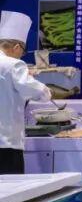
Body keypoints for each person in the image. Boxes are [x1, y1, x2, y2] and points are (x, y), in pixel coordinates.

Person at [0, 10, 52, 175]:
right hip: (6, 144)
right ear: (17, 47)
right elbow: (40, 93)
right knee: (11, 189)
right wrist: (46, 90)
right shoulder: (13, 65)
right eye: (22, 51)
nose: (21, 55)